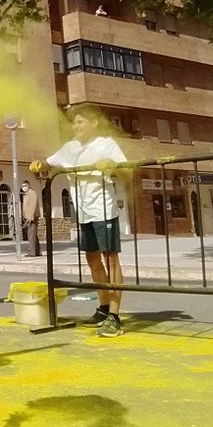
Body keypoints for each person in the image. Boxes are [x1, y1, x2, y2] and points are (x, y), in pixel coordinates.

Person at [31, 105, 131, 337]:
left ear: (95, 123)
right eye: (74, 122)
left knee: (111, 260)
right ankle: (104, 307)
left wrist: (113, 166)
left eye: (80, 122)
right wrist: (38, 164)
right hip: (83, 213)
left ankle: (115, 317)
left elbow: (128, 172)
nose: (75, 126)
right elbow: (49, 163)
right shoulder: (70, 148)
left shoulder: (106, 144)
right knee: (93, 260)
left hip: (103, 210)